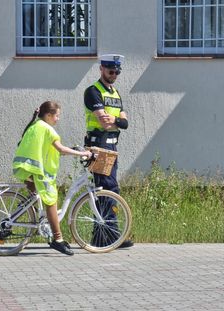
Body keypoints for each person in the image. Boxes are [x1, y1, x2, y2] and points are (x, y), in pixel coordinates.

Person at [13, 101, 92, 256]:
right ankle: (57, 239)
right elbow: (60, 148)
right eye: (57, 116)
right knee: (51, 200)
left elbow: (54, 149)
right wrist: (84, 154)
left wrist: (72, 150)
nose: (58, 119)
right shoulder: (48, 129)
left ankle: (39, 224)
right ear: (48, 115)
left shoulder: (36, 125)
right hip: (37, 171)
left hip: (26, 168)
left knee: (38, 198)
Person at [83, 54, 133, 248]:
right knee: (106, 189)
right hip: (99, 145)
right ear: (101, 69)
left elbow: (125, 123)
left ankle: (103, 236)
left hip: (112, 145)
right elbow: (104, 121)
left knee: (108, 189)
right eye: (111, 71)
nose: (114, 75)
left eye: (117, 72)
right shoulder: (93, 91)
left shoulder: (115, 93)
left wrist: (116, 121)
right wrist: (116, 121)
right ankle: (109, 236)